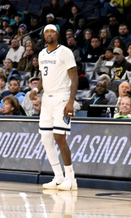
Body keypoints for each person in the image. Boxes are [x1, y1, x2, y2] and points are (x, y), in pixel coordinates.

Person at [37, 24, 79, 191]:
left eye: (52, 31)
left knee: (59, 137)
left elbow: (74, 77)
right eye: (46, 31)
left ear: (57, 34)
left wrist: (70, 101)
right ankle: (58, 176)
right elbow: (43, 77)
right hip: (46, 98)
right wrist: (35, 90)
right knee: (46, 139)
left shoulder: (65, 52)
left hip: (62, 96)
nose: (49, 34)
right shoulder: (41, 54)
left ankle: (71, 178)